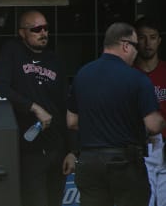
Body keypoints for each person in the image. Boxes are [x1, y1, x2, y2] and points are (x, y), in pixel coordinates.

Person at [66, 22, 166, 206]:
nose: (137, 52)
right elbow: (153, 125)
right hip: (124, 162)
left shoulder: (82, 74)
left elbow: (72, 121)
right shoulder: (136, 78)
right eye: (135, 46)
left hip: (89, 162)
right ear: (126, 45)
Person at [0, 10, 76, 206]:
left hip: (57, 147)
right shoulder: (12, 51)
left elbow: (67, 105)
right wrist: (33, 107)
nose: (43, 33)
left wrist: (72, 151)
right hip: (29, 148)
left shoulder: (55, 60)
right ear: (22, 32)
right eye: (36, 29)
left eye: (45, 28)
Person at [133, 16, 166, 206]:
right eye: (143, 37)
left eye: (152, 37)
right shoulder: (128, 73)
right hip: (139, 147)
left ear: (159, 40)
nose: (148, 43)